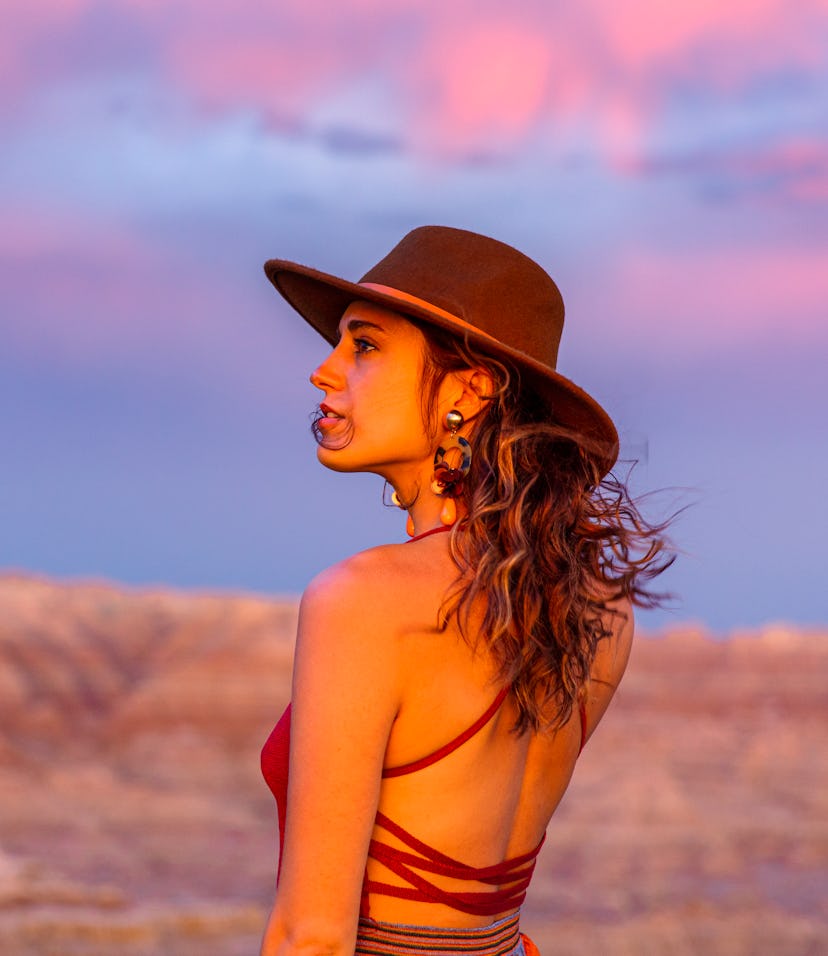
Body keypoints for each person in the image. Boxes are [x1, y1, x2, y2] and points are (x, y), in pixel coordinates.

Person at [259, 226, 671, 956]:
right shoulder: (602, 607)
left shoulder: (363, 601)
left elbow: (311, 938)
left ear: (469, 391)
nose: (324, 372)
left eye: (364, 345)